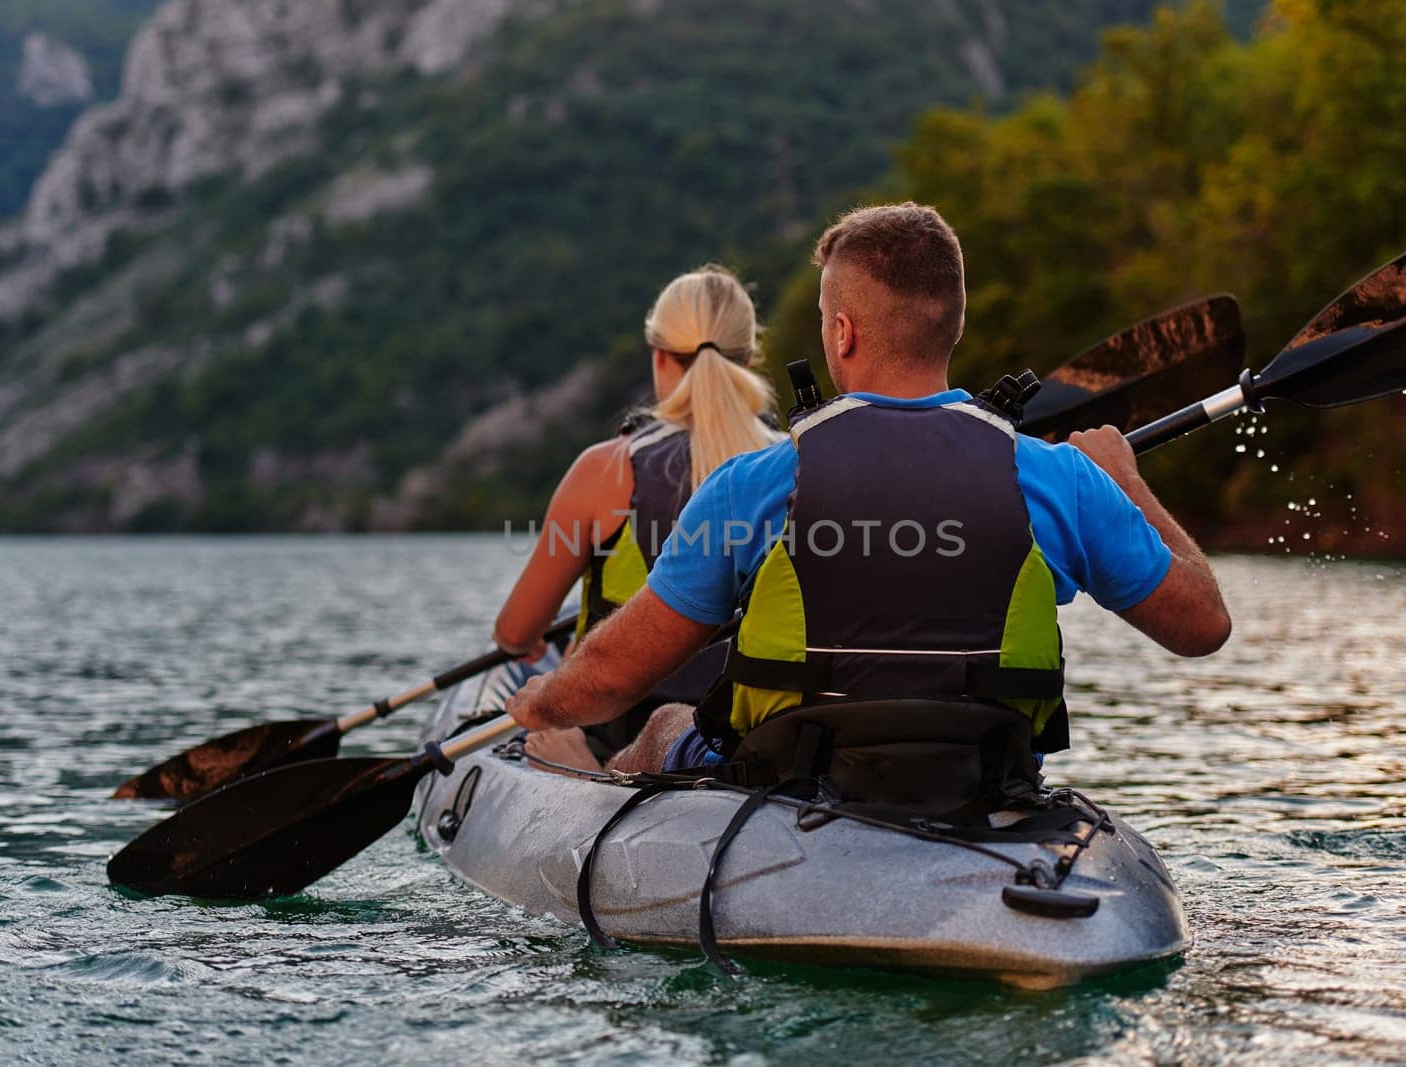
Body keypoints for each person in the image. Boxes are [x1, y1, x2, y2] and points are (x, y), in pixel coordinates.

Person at [508, 203, 1230, 787]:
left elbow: (607, 679)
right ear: (954, 324)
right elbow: (1204, 626)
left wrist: (539, 701)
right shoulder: (1059, 478)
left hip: (790, 776)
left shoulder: (758, 484)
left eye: (827, 321)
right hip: (982, 778)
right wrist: (1128, 481)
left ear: (843, 332)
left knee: (665, 723)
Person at [489, 265, 781, 764]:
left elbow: (515, 631)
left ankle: (584, 766)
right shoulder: (793, 465)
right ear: (750, 357)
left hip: (614, 736)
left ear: (660, 357)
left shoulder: (605, 470)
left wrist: (531, 647)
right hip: (750, 734)